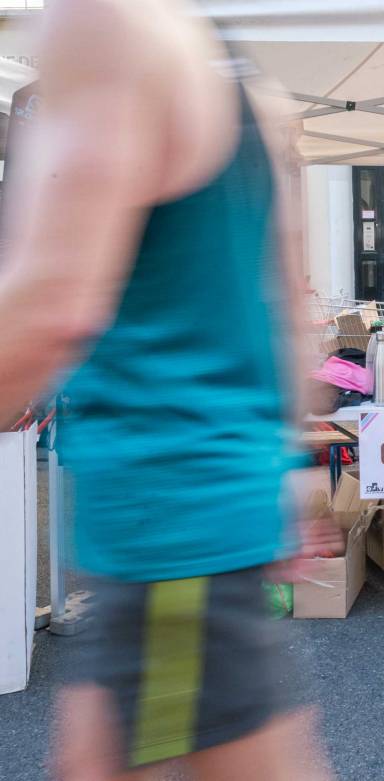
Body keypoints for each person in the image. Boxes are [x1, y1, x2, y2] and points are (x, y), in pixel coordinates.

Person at [0, 1, 332, 778]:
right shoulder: (242, 80)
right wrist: (284, 480)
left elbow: (51, 303)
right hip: (183, 522)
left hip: (169, 525)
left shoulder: (104, 24)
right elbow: (286, 310)